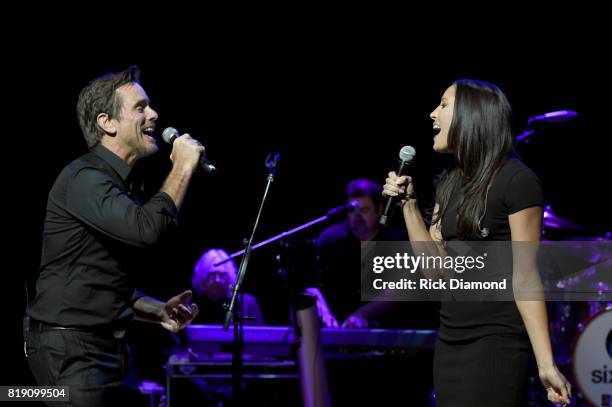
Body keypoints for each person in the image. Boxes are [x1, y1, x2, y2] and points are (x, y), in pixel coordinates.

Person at [382, 79, 571, 406]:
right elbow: (434, 271)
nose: (432, 113)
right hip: (451, 340)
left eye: (443, 105)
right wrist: (409, 206)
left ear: (472, 116)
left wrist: (546, 363)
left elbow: (525, 276)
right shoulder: (450, 182)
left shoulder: (517, 181)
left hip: (496, 342)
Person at [25, 66, 203, 406]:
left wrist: (156, 310)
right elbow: (147, 231)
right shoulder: (84, 178)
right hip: (71, 354)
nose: (154, 114)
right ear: (107, 122)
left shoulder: (117, 184)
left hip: (104, 350)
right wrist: (182, 166)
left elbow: (97, 279)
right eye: (140, 107)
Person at [306, 178, 408, 328]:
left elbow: (399, 289)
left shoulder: (396, 240)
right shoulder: (330, 239)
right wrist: (325, 314)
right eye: (352, 210)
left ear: (380, 210)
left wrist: (362, 314)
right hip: (335, 329)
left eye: (364, 210)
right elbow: (311, 283)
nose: (357, 215)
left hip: (384, 331)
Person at [191, 248, 264, 325]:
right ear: (202, 276)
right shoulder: (190, 305)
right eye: (212, 275)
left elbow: (262, 334)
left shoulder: (247, 303)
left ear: (229, 276)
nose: (217, 280)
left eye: (222, 275)